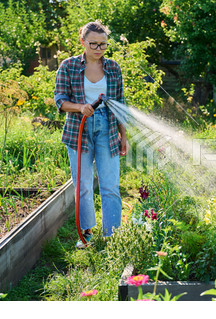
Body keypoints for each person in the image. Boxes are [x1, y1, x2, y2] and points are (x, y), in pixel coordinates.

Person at [54, 21, 129, 248]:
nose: (98, 49)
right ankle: (85, 233)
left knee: (110, 184)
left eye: (103, 45)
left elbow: (119, 104)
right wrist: (80, 107)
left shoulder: (113, 68)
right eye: (93, 44)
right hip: (78, 127)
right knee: (83, 184)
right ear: (83, 42)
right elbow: (60, 100)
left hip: (107, 126)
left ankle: (111, 236)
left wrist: (123, 135)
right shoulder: (67, 67)